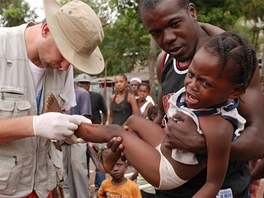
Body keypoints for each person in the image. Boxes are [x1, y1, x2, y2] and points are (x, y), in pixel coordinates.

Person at [107, 0, 264, 197]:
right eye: (156, 32)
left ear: (192, 12)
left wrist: (208, 147)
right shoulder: (164, 61)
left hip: (221, 189)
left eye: (175, 24)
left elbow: (260, 139)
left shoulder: (233, 58)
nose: (168, 38)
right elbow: (165, 117)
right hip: (170, 189)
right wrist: (135, 141)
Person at [75, 31, 257, 197]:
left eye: (205, 83)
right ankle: (110, 159)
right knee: (134, 121)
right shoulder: (199, 98)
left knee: (116, 130)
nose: (193, 85)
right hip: (165, 149)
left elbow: (213, 183)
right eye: (191, 75)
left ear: (234, 91)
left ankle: (73, 127)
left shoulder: (219, 127)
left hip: (168, 172)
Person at [0, 0, 104, 196]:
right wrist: (34, 125)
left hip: (43, 186)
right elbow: (39, 124)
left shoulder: (63, 67)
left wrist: (67, 127)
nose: (65, 67)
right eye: (64, 54)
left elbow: (54, 130)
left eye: (72, 62)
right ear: (47, 29)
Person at [75, 73, 108, 195]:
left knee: (100, 165)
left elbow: (105, 112)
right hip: (79, 137)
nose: (84, 86)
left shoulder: (97, 96)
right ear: (77, 85)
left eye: (86, 83)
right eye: (81, 83)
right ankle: (84, 190)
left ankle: (100, 190)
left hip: (95, 135)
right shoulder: (74, 98)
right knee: (83, 166)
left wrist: (102, 127)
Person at [62, 82, 92, 198]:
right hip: (62, 138)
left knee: (79, 171)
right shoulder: (58, 92)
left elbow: (86, 118)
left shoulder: (82, 94)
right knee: (65, 174)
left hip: (77, 138)